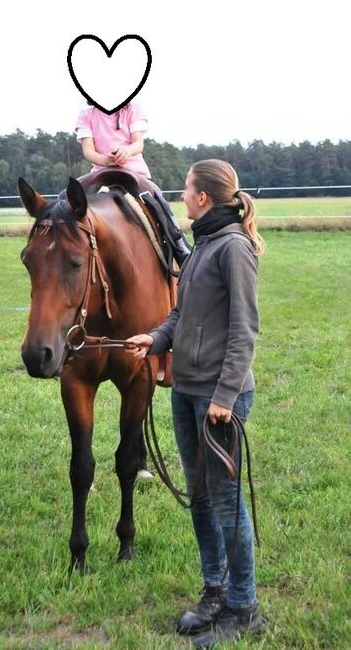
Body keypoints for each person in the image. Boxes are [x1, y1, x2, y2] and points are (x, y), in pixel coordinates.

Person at [126, 159, 265, 648]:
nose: (181, 195)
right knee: (201, 499)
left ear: (203, 196)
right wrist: (157, 338)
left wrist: (225, 396)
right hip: (185, 390)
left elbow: (244, 329)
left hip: (217, 398)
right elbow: (183, 312)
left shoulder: (233, 249)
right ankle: (215, 591)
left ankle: (244, 606)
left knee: (227, 504)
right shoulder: (203, 245)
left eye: (185, 188)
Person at [70, 101, 191, 264]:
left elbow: (138, 144)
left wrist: (126, 151)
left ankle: (178, 244)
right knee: (65, 198)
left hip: (133, 171)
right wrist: (103, 160)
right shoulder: (86, 115)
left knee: (157, 198)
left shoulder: (133, 109)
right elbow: (88, 150)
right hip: (101, 172)